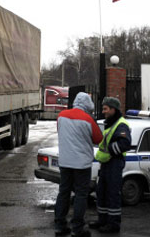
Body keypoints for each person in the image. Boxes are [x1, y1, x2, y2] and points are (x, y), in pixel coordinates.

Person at [54, 92, 103, 237]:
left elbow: (60, 132)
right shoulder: (88, 119)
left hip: (65, 162)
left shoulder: (61, 116)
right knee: (81, 195)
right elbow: (98, 139)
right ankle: (77, 228)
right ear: (88, 105)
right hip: (82, 164)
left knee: (63, 192)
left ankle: (59, 225)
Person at [89, 97, 132, 234]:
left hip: (114, 163)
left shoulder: (121, 124)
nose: (103, 112)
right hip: (107, 164)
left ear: (113, 109)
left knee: (113, 194)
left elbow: (125, 144)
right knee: (101, 192)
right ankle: (103, 220)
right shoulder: (111, 123)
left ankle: (113, 224)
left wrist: (110, 152)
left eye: (105, 109)